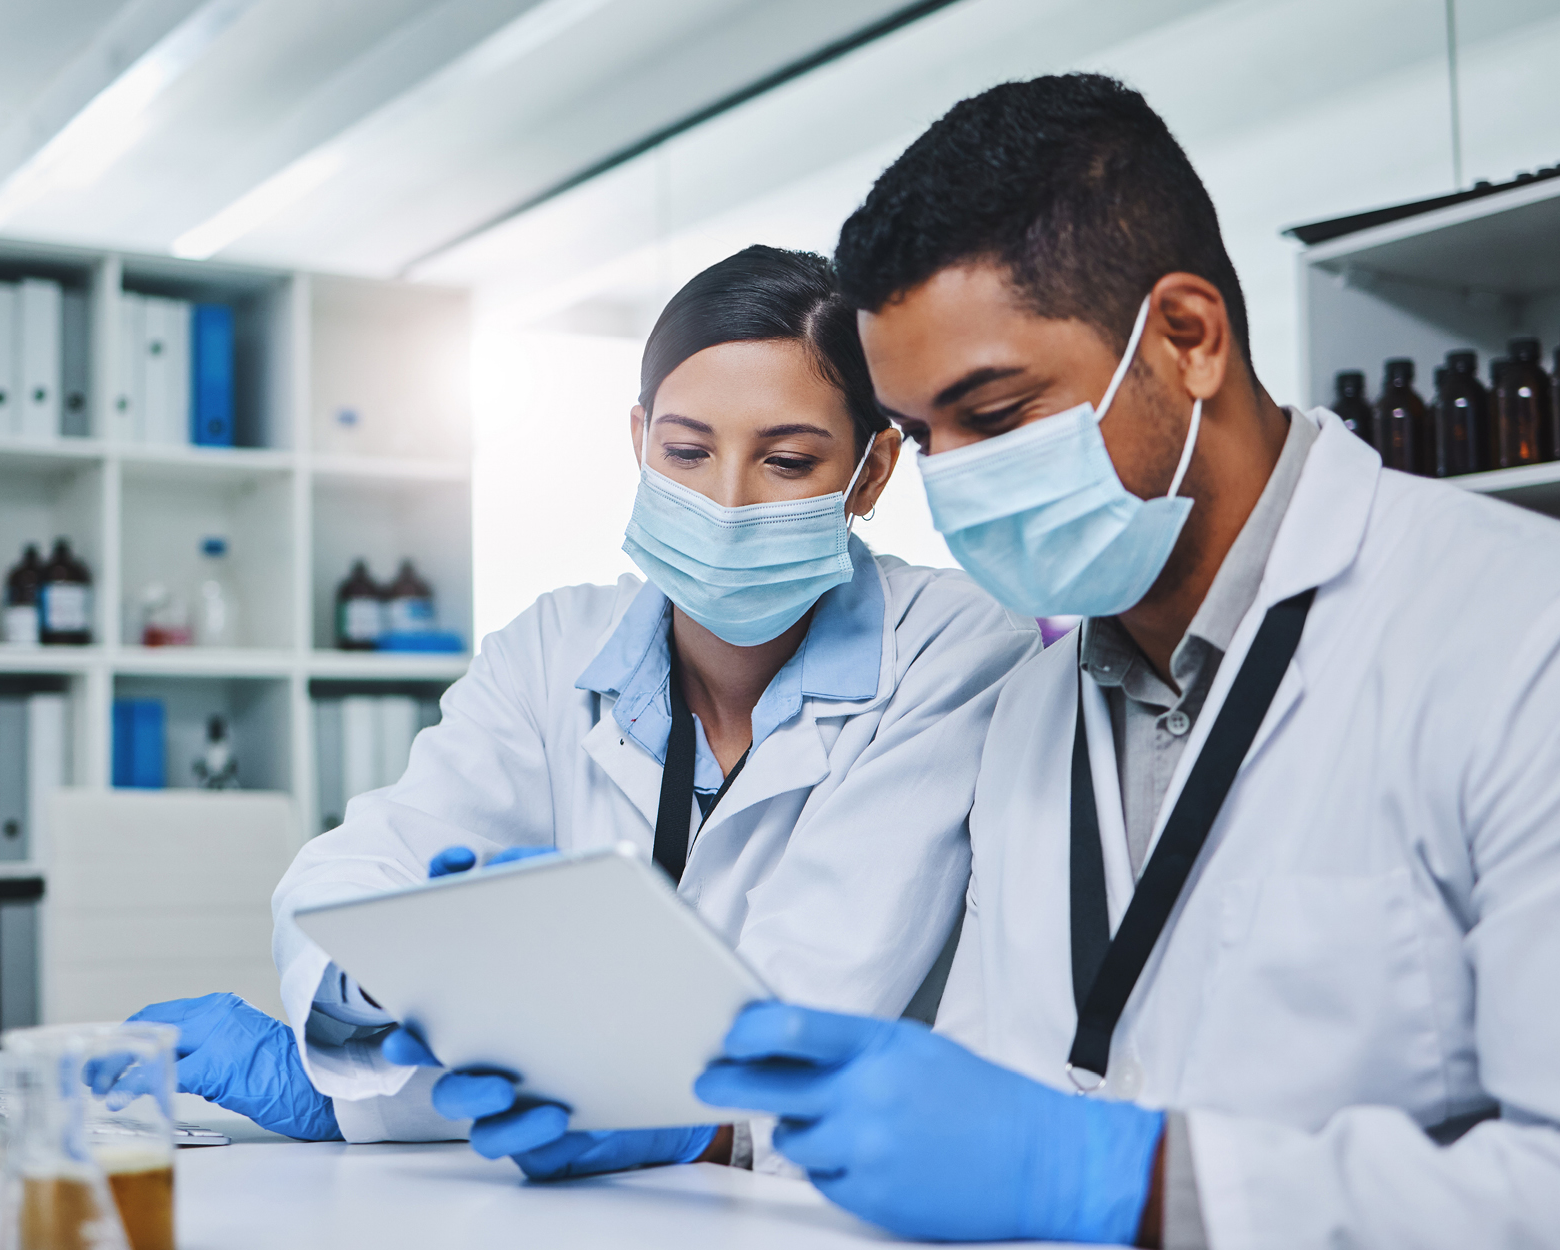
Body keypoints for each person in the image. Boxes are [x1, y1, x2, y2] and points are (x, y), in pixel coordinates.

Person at [695, 75, 1560, 1247]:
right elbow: (1010, 1079)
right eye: (923, 435)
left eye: (994, 416)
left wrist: (1137, 1178)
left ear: (1189, 338)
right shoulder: (1037, 704)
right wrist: (700, 1125)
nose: (953, 485)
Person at [135, 246, 1040, 1172]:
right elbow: (371, 862)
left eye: (788, 461)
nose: (724, 503)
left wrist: (428, 1078)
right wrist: (381, 989)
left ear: (874, 470)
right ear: (639, 438)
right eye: (685, 452)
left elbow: (801, 1022)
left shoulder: (951, 649)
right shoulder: (553, 646)